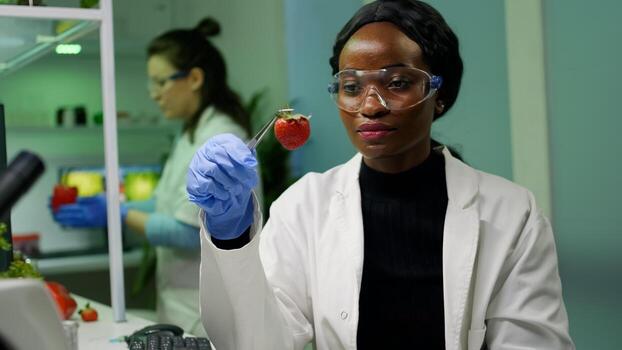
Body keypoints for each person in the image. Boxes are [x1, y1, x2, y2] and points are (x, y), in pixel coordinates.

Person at [186, 1, 575, 349]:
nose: (370, 105)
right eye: (352, 86)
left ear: (440, 94)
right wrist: (230, 233)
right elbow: (257, 343)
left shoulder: (511, 213)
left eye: (398, 83)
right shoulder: (304, 206)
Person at [52, 18, 251, 336]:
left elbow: (187, 233)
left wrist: (115, 213)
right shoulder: (191, 135)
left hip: (210, 311)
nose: (154, 94)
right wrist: (111, 204)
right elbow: (164, 205)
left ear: (195, 78)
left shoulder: (221, 141)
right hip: (185, 302)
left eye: (160, 82)